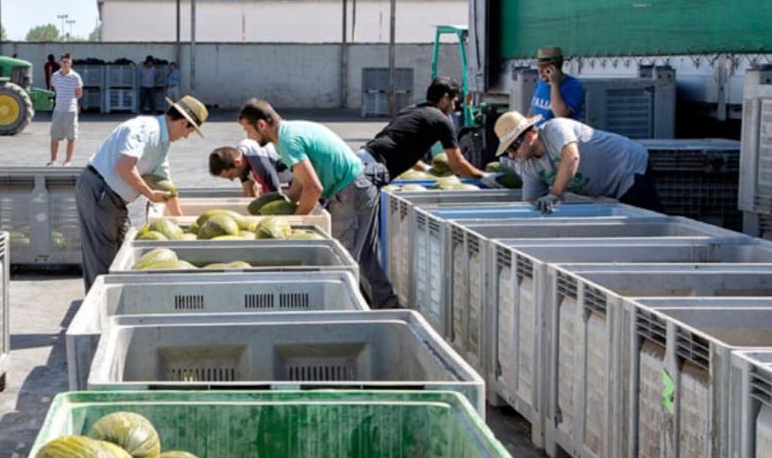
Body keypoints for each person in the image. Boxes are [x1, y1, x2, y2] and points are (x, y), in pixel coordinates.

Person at [237, 98, 400, 308]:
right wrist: (284, 205)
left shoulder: (287, 142)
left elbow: (314, 188)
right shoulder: (289, 133)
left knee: (341, 259)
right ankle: (385, 306)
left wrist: (294, 223)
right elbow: (299, 183)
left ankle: (345, 314)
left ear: (261, 125)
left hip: (351, 191)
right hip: (357, 186)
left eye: (247, 130)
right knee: (365, 257)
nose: (247, 137)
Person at [76, 95, 208, 289]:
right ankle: (97, 309)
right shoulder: (145, 129)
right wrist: (149, 193)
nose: (186, 137)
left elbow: (167, 185)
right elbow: (124, 167)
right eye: (190, 131)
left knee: (119, 255)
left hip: (115, 199)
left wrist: (180, 223)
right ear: (182, 123)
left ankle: (109, 302)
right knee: (101, 258)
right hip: (99, 190)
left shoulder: (162, 143)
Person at [494, 110, 663, 214]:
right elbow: (531, 204)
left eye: (513, 148)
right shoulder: (529, 166)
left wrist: (554, 195)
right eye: (509, 151)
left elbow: (571, 157)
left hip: (628, 168)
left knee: (648, 223)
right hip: (609, 188)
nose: (513, 155)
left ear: (529, 136)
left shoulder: (555, 128)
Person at [361, 77, 493, 183]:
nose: (453, 106)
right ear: (445, 98)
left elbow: (399, 146)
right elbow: (457, 164)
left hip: (362, 158)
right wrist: (484, 177)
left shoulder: (411, 110)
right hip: (374, 171)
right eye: (453, 101)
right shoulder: (441, 120)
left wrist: (426, 168)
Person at [208, 139, 293, 196]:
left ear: (237, 162)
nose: (232, 179)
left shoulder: (260, 163)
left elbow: (275, 195)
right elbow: (249, 193)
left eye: (231, 175)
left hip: (299, 174)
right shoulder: (240, 157)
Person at [530, 46, 585, 122]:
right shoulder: (541, 82)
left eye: (544, 67)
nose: (540, 71)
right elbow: (533, 108)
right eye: (539, 66)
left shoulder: (573, 86)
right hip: (537, 132)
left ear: (555, 67)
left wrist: (554, 84)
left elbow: (560, 115)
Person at [49, 53, 83, 166]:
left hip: (70, 111)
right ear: (60, 62)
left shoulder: (76, 77)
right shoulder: (55, 76)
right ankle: (53, 160)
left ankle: (67, 161)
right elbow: (55, 88)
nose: (66, 64)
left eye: (68, 62)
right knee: (55, 137)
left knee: (71, 137)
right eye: (64, 62)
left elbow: (79, 94)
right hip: (58, 110)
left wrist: (71, 102)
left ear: (71, 63)